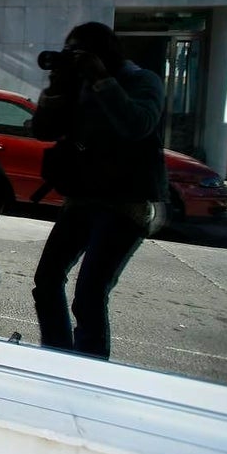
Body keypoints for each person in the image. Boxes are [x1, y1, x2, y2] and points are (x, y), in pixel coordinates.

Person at [30, 21, 166, 360]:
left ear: (103, 55)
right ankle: (58, 356)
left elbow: (137, 125)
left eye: (80, 53)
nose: (73, 59)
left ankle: (89, 367)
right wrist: (57, 87)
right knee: (46, 280)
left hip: (125, 204)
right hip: (83, 199)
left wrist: (102, 80)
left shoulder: (141, 81)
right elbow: (44, 130)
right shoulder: (78, 87)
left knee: (89, 293)